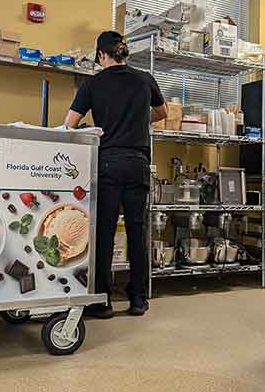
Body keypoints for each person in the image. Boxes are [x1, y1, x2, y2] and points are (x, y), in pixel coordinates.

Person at [64, 31, 167, 318]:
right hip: (137, 164)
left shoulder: (93, 83)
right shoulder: (144, 78)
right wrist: (136, 118)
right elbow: (163, 112)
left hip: (107, 163)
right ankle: (138, 300)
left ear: (101, 55)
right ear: (124, 53)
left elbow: (69, 125)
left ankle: (102, 301)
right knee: (137, 230)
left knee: (104, 232)